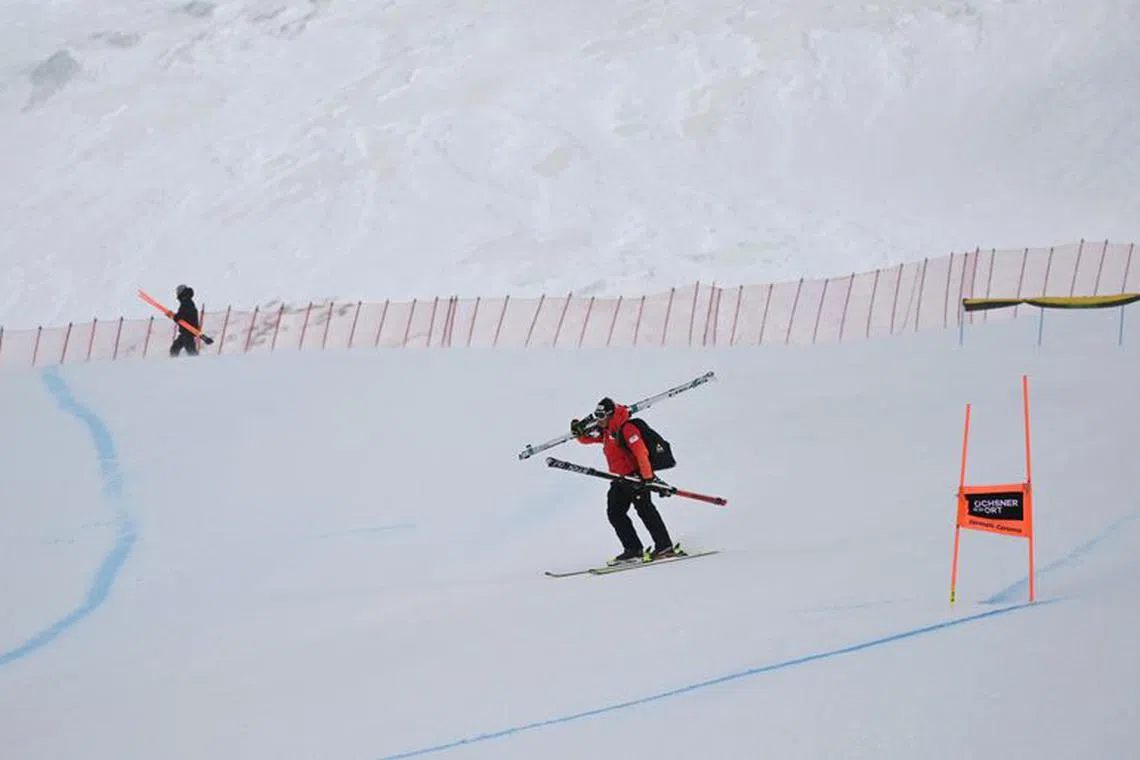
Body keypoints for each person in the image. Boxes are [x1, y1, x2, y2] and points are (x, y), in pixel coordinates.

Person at [572, 397, 679, 564]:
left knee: (645, 511)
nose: (598, 419)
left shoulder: (627, 428)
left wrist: (647, 477)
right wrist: (578, 433)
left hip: (635, 477)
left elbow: (641, 452)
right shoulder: (608, 431)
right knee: (615, 513)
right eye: (596, 415)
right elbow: (588, 439)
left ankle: (664, 547)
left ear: (610, 415)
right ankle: (633, 550)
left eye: (601, 415)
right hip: (618, 479)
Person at [169, 284, 200, 357]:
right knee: (175, 348)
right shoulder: (186, 301)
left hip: (188, 331)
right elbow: (182, 316)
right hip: (185, 331)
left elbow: (181, 316)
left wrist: (174, 316)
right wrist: (175, 316)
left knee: (191, 351)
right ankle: (172, 363)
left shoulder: (186, 302)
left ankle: (198, 363)